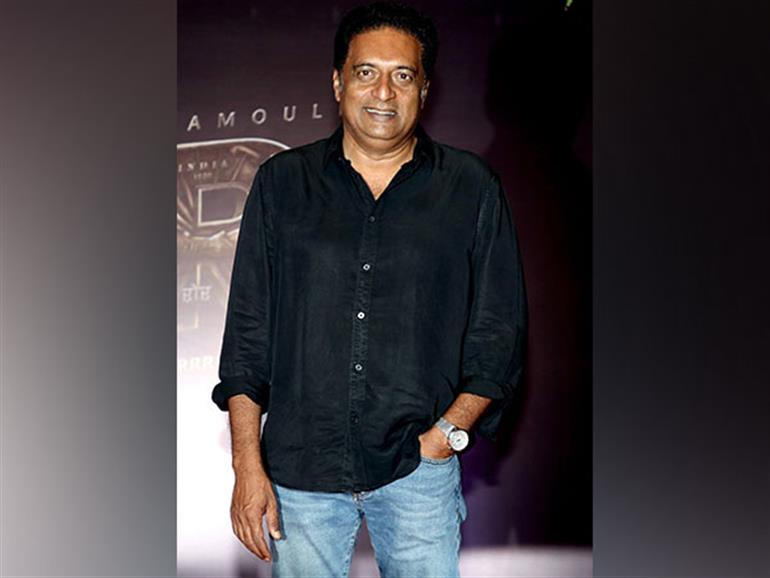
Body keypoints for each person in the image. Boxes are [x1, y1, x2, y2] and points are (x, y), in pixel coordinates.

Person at [211, 2, 527, 576]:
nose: (384, 91)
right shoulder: (282, 183)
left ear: (424, 90)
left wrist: (446, 435)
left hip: (418, 472)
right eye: (366, 72)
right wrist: (247, 467)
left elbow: (498, 330)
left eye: (403, 75)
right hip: (299, 474)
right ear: (338, 83)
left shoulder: (471, 187)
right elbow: (248, 336)